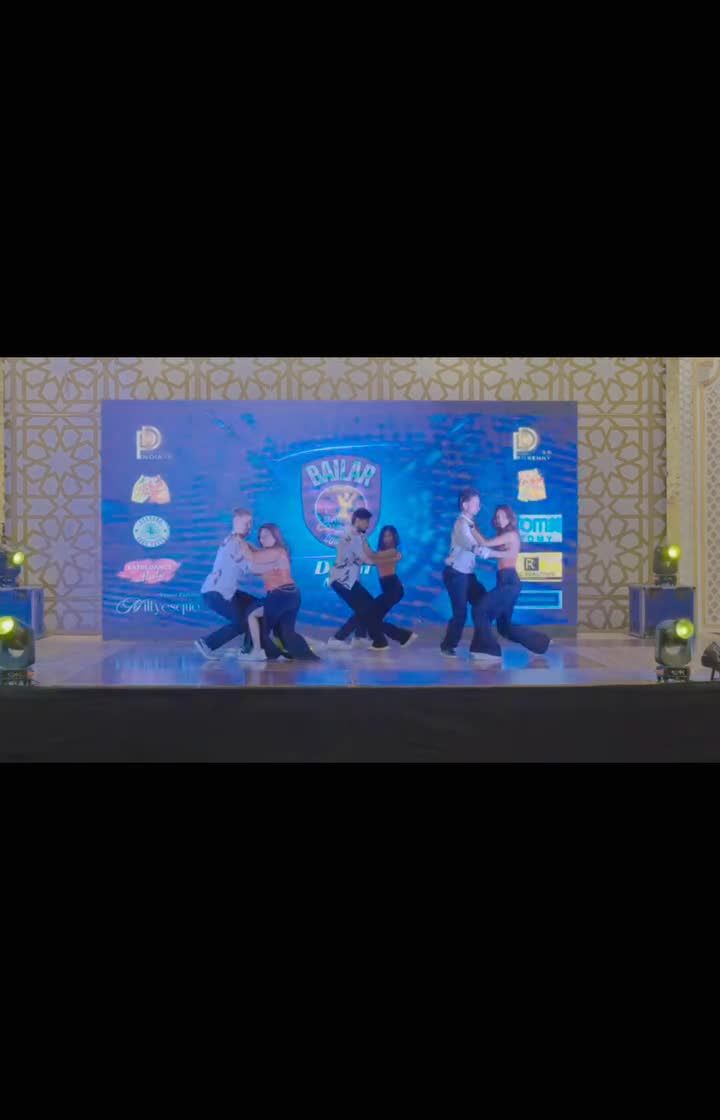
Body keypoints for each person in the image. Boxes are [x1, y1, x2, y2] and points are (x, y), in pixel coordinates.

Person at [470, 504, 551, 665]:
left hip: (510, 582)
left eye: (502, 516)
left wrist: (471, 527)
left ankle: (489, 651)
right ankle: (541, 643)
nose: (499, 519)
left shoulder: (511, 535)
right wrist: (485, 550)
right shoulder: (505, 536)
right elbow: (495, 552)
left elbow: (485, 543)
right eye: (497, 517)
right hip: (504, 580)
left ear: (509, 518)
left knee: (480, 609)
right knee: (504, 627)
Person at [238, 524, 320, 661]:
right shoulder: (273, 554)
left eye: (266, 536)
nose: (262, 539)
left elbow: (253, 557)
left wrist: (239, 541)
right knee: (286, 633)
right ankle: (311, 649)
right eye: (260, 537)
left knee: (253, 615)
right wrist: (246, 545)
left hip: (281, 596)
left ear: (275, 537)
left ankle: (258, 651)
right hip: (290, 596)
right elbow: (254, 567)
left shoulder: (277, 551)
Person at [327, 508, 402, 651]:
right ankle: (338, 638)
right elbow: (368, 559)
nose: (368, 525)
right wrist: (392, 558)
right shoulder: (352, 536)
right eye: (366, 521)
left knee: (366, 608)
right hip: (342, 581)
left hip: (348, 581)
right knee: (366, 608)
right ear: (358, 520)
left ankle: (359, 637)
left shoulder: (359, 536)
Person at [195, 507, 265, 660]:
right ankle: (207, 643)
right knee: (241, 622)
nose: (249, 527)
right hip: (216, 592)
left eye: (251, 523)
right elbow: (251, 568)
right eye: (246, 523)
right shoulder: (235, 544)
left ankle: (248, 649)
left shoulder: (238, 542)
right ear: (236, 522)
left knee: (256, 607)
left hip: (227, 591)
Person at [332, 525, 417, 648]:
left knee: (368, 614)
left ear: (394, 537)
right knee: (370, 617)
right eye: (384, 536)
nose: (387, 539)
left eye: (389, 536)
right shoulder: (383, 552)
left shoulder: (393, 551)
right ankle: (380, 642)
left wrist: (362, 538)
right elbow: (370, 559)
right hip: (388, 589)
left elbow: (370, 554)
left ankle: (403, 636)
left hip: (393, 589)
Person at [439, 488, 488, 658]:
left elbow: (482, 542)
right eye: (475, 503)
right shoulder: (461, 523)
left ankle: (483, 643)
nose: (478, 507)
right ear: (465, 505)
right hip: (456, 573)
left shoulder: (472, 524)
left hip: (467, 574)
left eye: (479, 503)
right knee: (460, 612)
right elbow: (468, 542)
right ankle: (448, 645)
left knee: (483, 603)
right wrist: (480, 550)